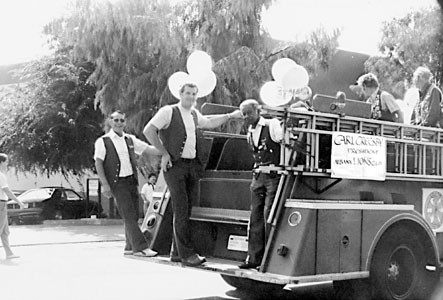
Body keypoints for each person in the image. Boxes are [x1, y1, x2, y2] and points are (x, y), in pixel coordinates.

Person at [143, 82, 242, 266]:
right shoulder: (168, 111)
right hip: (175, 165)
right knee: (181, 209)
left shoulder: (194, 114)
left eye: (194, 94)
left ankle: (176, 252)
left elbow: (210, 122)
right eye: (188, 93)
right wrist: (164, 152)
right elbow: (149, 130)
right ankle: (187, 255)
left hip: (190, 166)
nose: (191, 97)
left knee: (185, 210)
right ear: (180, 94)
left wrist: (230, 116)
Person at [94, 110, 160, 257]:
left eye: (121, 121)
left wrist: (166, 151)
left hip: (130, 181)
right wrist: (105, 184)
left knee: (134, 215)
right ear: (110, 122)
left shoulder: (129, 139)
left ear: (125, 122)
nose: (119, 123)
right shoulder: (103, 141)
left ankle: (129, 247)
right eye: (116, 120)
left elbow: (148, 149)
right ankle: (141, 247)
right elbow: (98, 163)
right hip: (117, 183)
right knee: (128, 215)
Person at [238, 99, 283, 269]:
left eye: (249, 112)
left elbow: (282, 140)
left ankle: (268, 261)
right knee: (255, 217)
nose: (246, 117)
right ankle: (254, 258)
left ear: (257, 110)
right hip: (258, 176)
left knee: (269, 217)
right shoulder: (249, 130)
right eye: (243, 114)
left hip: (273, 175)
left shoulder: (272, 124)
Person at [0, 153, 25, 259]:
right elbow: (7, 191)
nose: (7, 163)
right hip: (1, 204)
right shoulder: (1, 176)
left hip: (2, 203)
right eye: (6, 161)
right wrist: (18, 201)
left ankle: (9, 253)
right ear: (1, 162)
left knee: (5, 231)